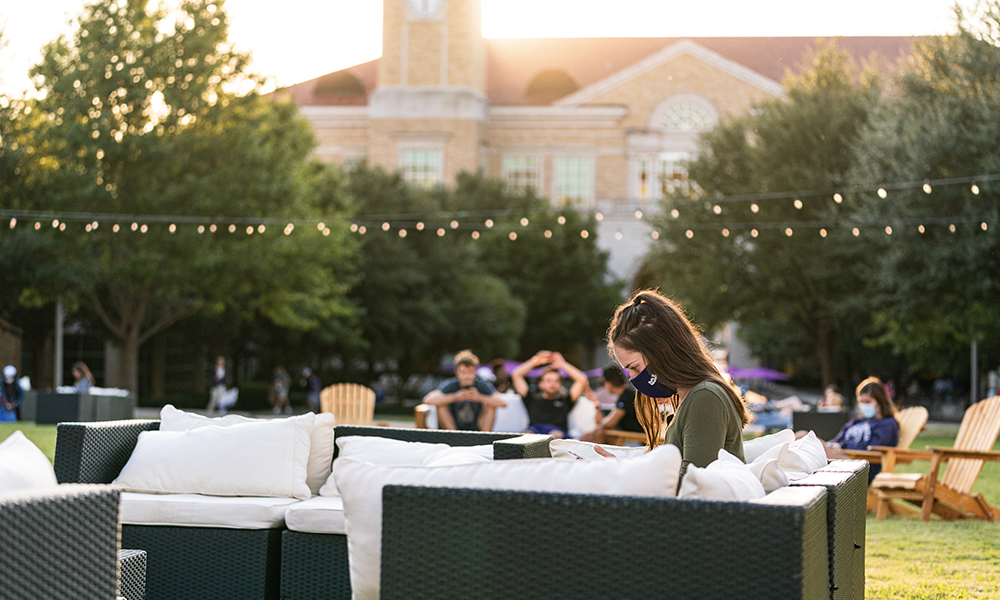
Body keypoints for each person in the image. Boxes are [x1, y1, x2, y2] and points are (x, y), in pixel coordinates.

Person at [606, 290, 751, 477]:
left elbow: (693, 487)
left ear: (662, 351)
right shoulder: (692, 397)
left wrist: (623, 474)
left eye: (634, 367)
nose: (633, 379)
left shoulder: (705, 397)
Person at [818, 377, 899, 482]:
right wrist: (833, 446)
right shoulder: (857, 422)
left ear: (879, 402)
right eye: (862, 401)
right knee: (802, 436)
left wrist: (842, 447)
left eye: (868, 401)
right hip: (840, 460)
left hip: (857, 467)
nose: (864, 405)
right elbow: (837, 440)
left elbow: (873, 448)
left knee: (804, 439)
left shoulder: (887, 424)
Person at [511, 350, 588, 439]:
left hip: (558, 433)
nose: (552, 384)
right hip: (535, 431)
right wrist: (536, 361)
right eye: (548, 381)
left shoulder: (565, 400)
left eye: (556, 381)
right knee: (527, 433)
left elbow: (582, 379)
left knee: (554, 435)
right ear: (541, 384)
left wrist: (562, 364)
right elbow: (516, 375)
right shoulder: (532, 398)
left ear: (560, 384)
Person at [423, 350, 507, 431]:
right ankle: (453, 437)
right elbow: (427, 400)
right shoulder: (450, 384)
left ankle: (484, 438)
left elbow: (502, 403)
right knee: (441, 405)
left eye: (470, 372)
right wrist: (455, 397)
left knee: (491, 405)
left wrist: (479, 398)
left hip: (478, 427)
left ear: (475, 372)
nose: (467, 376)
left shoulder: (482, 385)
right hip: (453, 428)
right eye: (463, 372)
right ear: (457, 372)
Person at [580, 365, 642, 444]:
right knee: (587, 436)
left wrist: (600, 426)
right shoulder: (625, 395)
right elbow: (602, 422)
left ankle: (597, 456)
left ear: (608, 384)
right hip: (628, 436)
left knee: (599, 432)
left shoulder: (627, 396)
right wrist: (595, 402)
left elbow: (609, 423)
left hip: (637, 439)